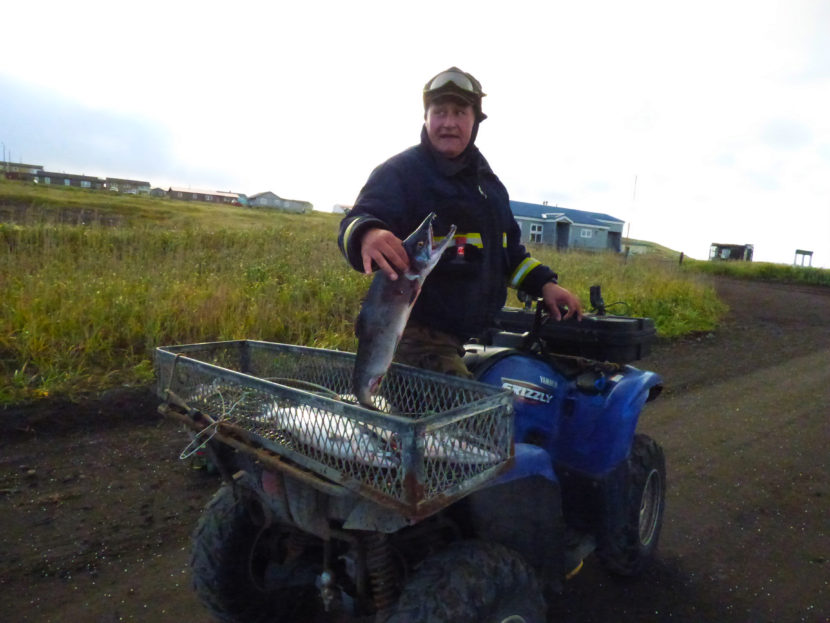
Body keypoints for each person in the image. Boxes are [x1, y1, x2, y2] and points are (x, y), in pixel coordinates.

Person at [338, 66, 582, 378]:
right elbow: (354, 222)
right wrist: (367, 233)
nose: (449, 123)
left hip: (469, 340)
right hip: (417, 341)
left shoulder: (488, 187)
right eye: (439, 112)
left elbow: (508, 256)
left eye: (460, 112)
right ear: (426, 118)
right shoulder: (401, 172)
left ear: (475, 120)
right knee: (477, 423)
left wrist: (545, 285)